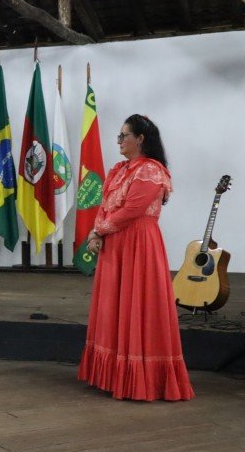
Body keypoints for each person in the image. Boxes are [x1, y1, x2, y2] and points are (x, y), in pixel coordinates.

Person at [78, 114, 194, 401]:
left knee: (137, 304)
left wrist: (99, 230)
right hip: (116, 244)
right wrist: (96, 232)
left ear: (140, 139)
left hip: (138, 244)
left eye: (123, 136)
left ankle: (139, 378)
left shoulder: (151, 171)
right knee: (114, 306)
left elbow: (132, 210)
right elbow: (105, 206)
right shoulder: (119, 169)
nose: (119, 141)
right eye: (118, 136)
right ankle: (114, 375)